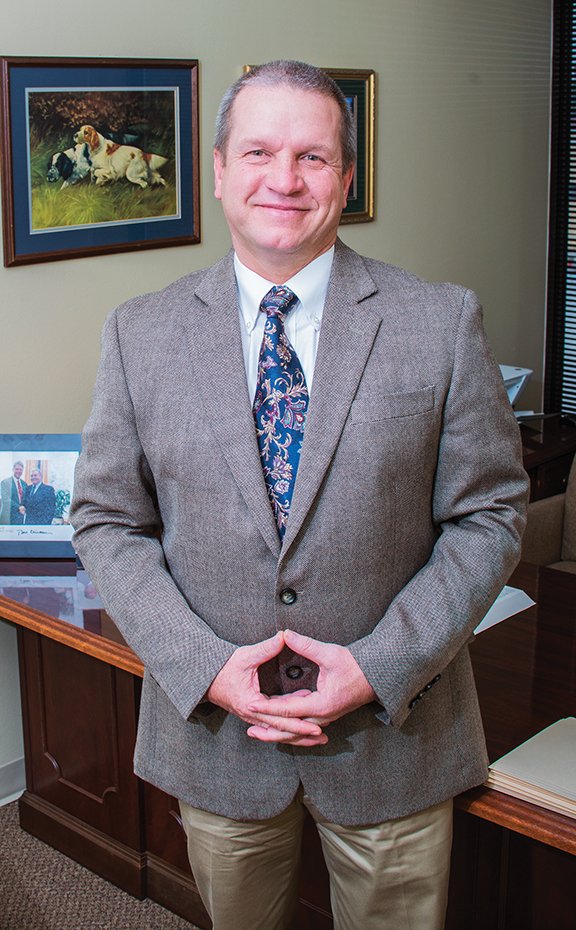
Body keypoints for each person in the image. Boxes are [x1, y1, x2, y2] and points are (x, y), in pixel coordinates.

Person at [70, 60, 529, 930]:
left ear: (347, 179)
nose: (284, 180)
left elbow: (491, 516)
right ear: (216, 171)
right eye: (259, 152)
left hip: (397, 737)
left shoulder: (439, 321)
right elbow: (105, 520)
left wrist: (379, 665)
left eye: (314, 158)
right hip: (219, 741)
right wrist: (205, 669)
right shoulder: (140, 332)